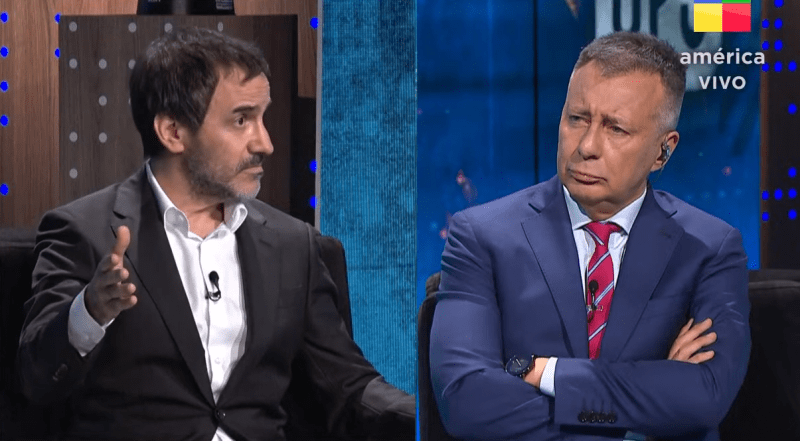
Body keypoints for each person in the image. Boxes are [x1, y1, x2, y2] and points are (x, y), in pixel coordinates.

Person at [17, 27, 414, 441]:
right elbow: (36, 380)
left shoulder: (292, 244)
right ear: (173, 132)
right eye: (241, 120)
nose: (265, 143)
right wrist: (90, 312)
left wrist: (427, 418)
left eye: (262, 118)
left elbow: (348, 387)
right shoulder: (84, 232)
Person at [429, 31, 750, 440]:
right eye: (577, 118)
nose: (587, 146)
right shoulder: (481, 237)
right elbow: (467, 402)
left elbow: (704, 397)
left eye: (616, 129)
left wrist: (545, 372)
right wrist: (650, 400)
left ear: (662, 151)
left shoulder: (709, 248)